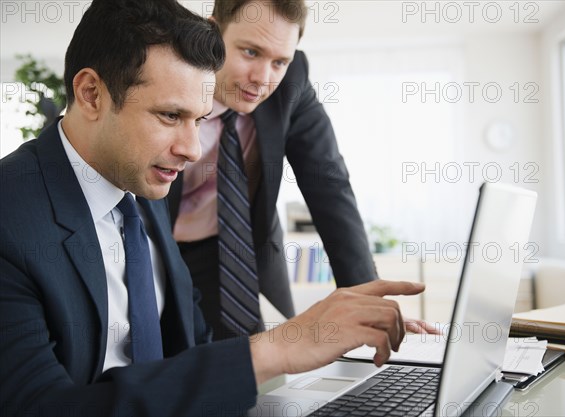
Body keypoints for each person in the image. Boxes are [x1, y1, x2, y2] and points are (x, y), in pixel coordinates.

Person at [0, 0, 428, 415]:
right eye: (170, 115)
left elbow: (329, 186)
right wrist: (274, 349)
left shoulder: (136, 191)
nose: (191, 150)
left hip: (230, 252)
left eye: (200, 120)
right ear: (91, 94)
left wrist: (363, 305)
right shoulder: (24, 219)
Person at [169, 0, 379, 339]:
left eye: (279, 61)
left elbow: (328, 182)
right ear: (211, 33)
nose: (263, 79)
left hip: (241, 249)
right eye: (250, 52)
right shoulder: (166, 72)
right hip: (157, 251)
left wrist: (367, 298)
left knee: (267, 372)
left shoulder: (291, 81)